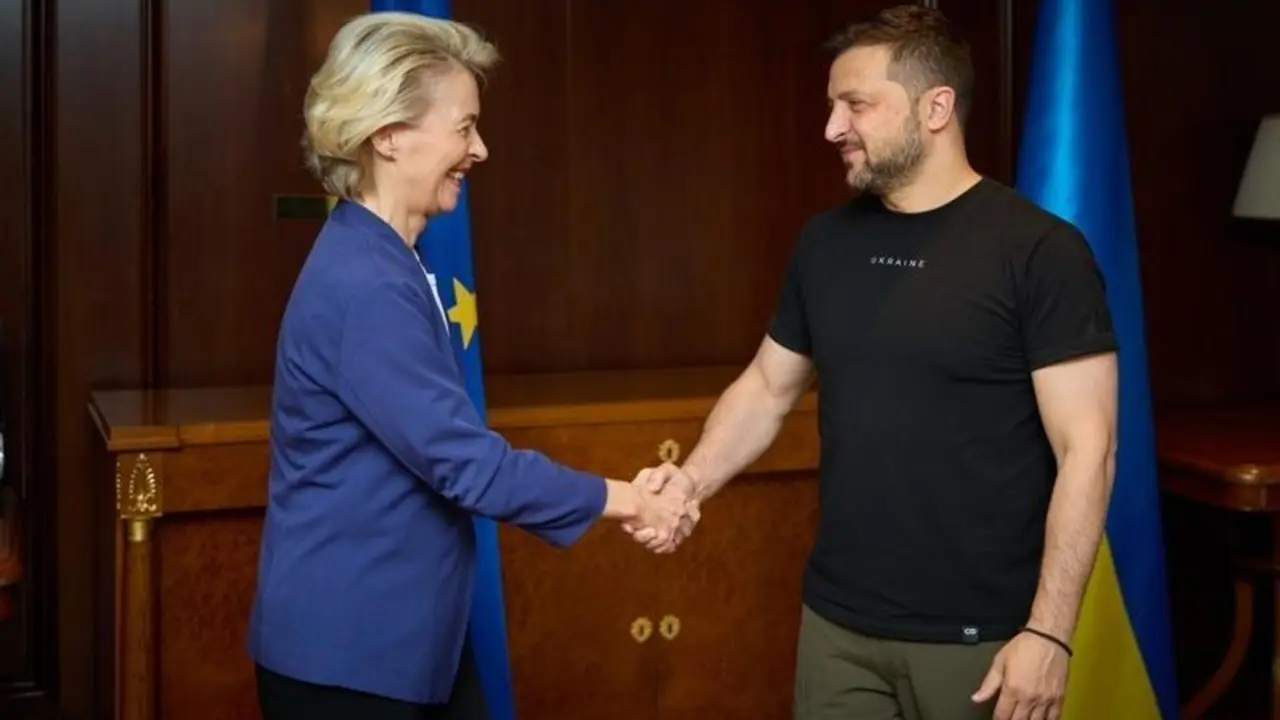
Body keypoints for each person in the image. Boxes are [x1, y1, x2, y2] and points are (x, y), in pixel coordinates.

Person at [630, 5, 1118, 720]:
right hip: (838, 626)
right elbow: (768, 388)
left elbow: (1089, 450)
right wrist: (689, 484)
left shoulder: (1041, 251)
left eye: (855, 104)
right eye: (832, 105)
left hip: (983, 640)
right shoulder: (824, 243)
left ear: (936, 107)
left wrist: (1049, 631)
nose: (832, 127)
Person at [246, 12, 697, 720]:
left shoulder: (384, 257)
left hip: (402, 642)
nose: (481, 149)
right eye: (464, 127)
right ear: (388, 134)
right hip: (351, 658)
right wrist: (633, 499)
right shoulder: (367, 284)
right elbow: (466, 464)